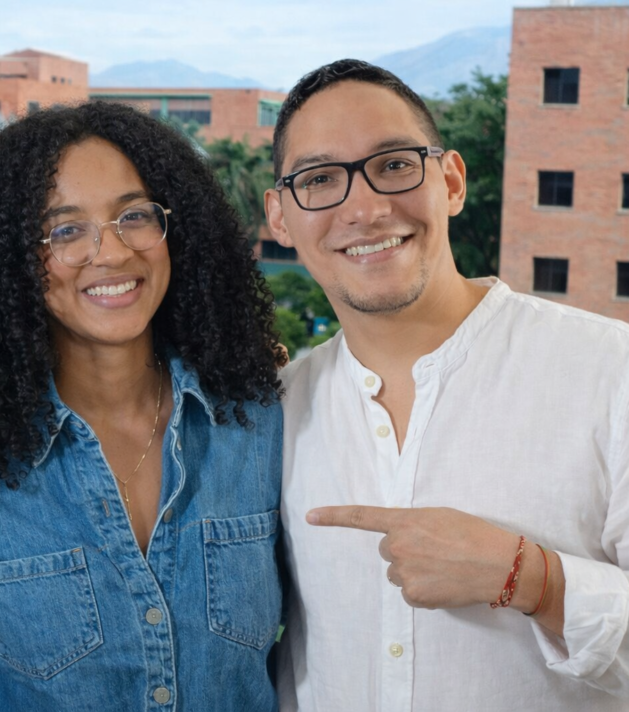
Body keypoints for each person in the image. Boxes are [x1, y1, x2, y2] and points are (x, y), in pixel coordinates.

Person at [0, 101, 284, 710]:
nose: (112, 252)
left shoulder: (258, 427)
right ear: (9, 260)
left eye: (134, 216)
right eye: (65, 229)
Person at [264, 58, 629, 710]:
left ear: (452, 182)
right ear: (281, 218)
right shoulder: (278, 411)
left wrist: (536, 582)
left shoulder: (610, 372)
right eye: (320, 179)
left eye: (395, 164)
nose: (367, 207)